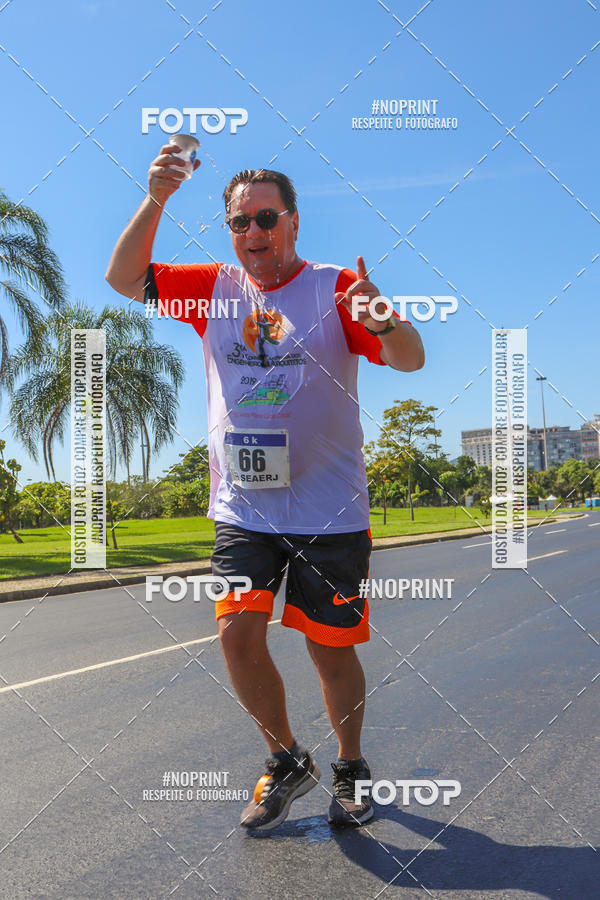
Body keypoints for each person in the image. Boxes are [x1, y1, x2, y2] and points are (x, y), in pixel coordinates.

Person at [106, 142, 425, 832]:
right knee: (236, 634)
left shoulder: (336, 287)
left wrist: (384, 322)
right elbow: (125, 279)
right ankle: (286, 760)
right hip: (243, 508)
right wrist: (158, 197)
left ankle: (349, 766)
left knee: (329, 650)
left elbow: (409, 357)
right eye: (239, 222)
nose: (253, 233)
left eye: (266, 218)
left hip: (329, 512)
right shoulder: (214, 288)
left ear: (294, 222)